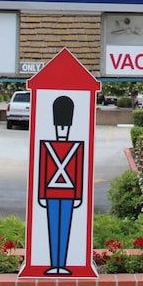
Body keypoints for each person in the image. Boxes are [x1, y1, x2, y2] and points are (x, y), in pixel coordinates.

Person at [38, 96, 84, 275]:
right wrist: (41, 195)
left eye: (64, 127)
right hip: (52, 193)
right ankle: (54, 264)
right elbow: (43, 170)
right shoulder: (47, 146)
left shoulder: (76, 147)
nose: (62, 130)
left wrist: (78, 196)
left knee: (64, 229)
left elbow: (78, 171)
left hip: (67, 194)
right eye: (60, 127)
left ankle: (61, 264)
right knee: (53, 229)